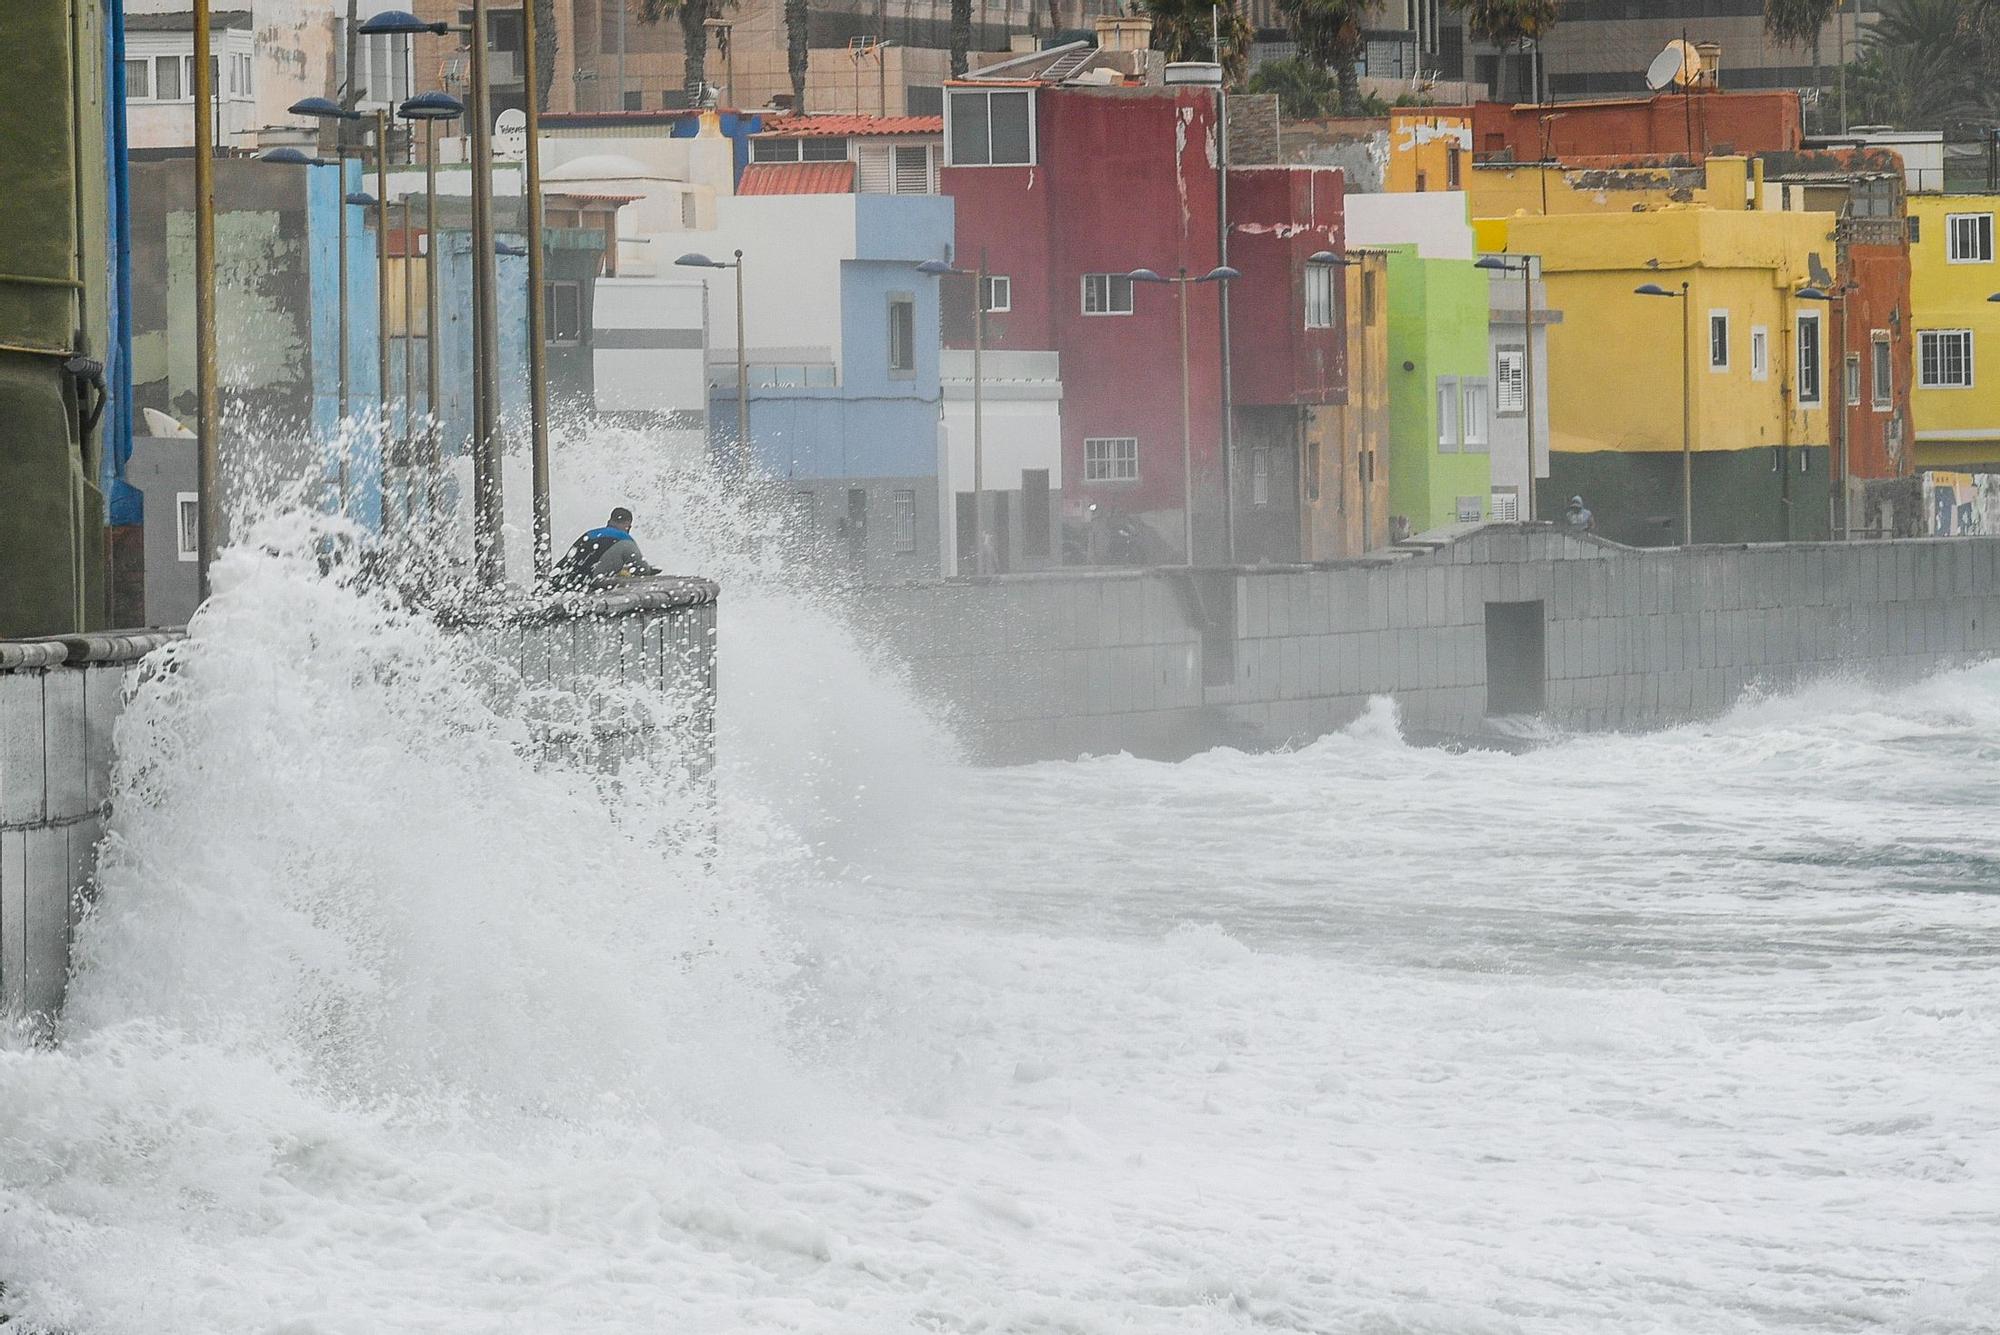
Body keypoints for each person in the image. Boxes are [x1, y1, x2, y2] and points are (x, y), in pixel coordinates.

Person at [552, 507, 659, 588]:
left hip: (561, 581)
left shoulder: (590, 534)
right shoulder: (625, 540)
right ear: (628, 526)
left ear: (609, 522)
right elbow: (643, 570)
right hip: (586, 586)